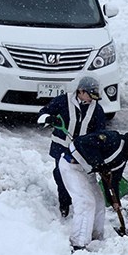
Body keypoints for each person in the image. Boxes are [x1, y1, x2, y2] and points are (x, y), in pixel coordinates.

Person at [61, 129, 128, 251]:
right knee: (86, 202)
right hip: (72, 165)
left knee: (99, 203)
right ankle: (78, 244)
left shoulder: (124, 157)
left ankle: (95, 238)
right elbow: (84, 143)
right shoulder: (114, 140)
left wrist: (114, 201)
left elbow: (113, 180)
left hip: (87, 171)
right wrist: (99, 163)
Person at [36, 76, 108, 218]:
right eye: (89, 95)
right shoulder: (62, 101)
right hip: (61, 148)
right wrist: (49, 119)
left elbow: (100, 132)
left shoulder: (97, 109)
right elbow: (42, 115)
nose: (91, 100)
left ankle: (78, 203)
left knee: (78, 178)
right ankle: (64, 203)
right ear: (80, 91)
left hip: (81, 153)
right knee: (60, 175)